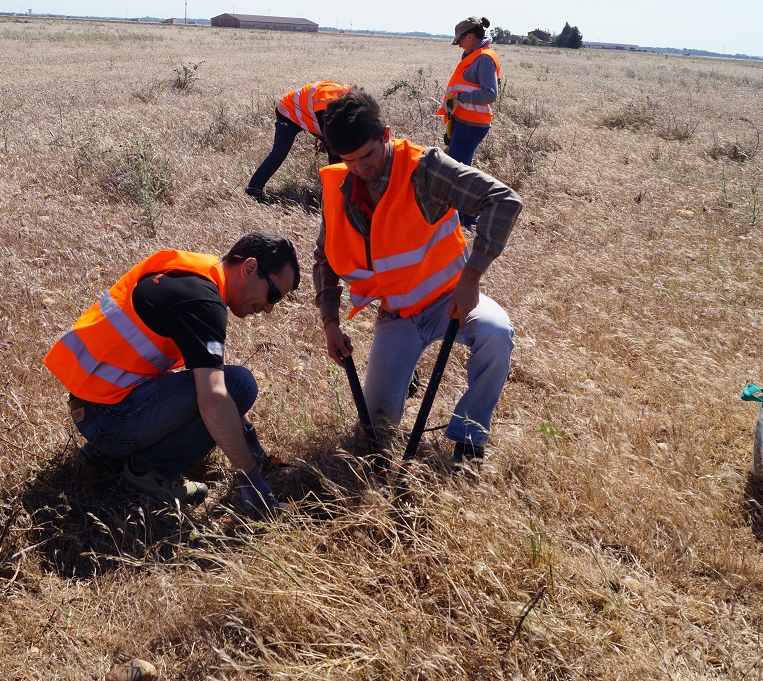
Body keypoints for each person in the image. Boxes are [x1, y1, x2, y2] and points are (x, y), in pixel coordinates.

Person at [314, 87, 522, 464]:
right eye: (349, 160)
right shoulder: (340, 188)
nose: (360, 168)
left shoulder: (425, 169)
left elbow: (503, 200)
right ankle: (404, 380)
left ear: (385, 134)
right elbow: (325, 258)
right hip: (397, 314)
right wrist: (330, 323)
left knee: (497, 334)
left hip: (451, 300)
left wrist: (471, 277)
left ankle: (469, 439)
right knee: (376, 433)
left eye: (367, 155)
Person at [43, 232, 299, 515]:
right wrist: (252, 479)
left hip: (92, 403)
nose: (269, 309)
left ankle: (108, 456)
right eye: (273, 294)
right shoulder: (203, 304)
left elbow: (211, 380)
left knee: (229, 386)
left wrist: (253, 446)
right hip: (105, 418)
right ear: (249, 268)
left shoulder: (195, 274)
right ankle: (149, 473)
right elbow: (215, 397)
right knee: (239, 385)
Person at [246, 81, 349, 201]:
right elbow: (333, 147)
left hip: (310, 112)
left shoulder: (348, 99)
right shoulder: (327, 106)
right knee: (279, 152)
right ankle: (253, 189)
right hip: (288, 111)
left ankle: (339, 189)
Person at [437, 17, 500, 170]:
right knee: (458, 170)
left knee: (456, 174)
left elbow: (490, 93)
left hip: (470, 126)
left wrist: (459, 98)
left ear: (470, 36)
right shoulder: (475, 56)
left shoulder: (484, 58)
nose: (459, 45)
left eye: (460, 41)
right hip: (464, 123)